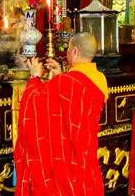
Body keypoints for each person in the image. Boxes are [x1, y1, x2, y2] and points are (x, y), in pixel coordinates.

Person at [14, 32, 108, 196]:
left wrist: (35, 76)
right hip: (85, 150)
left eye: (69, 49)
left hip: (67, 157)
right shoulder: (100, 79)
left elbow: (34, 102)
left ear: (74, 52)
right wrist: (61, 75)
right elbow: (74, 96)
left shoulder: (65, 82)